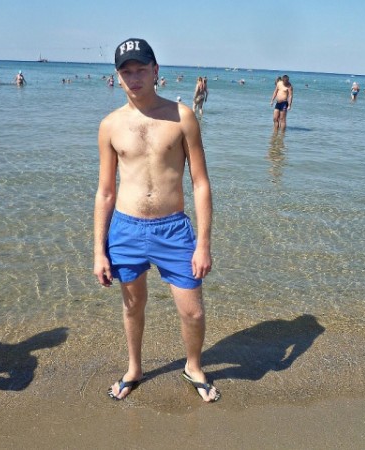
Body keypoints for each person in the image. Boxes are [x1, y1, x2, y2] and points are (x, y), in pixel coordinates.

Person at [94, 38, 219, 403]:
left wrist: (203, 243)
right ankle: (134, 368)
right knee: (133, 306)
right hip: (126, 228)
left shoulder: (182, 117)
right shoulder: (110, 125)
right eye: (126, 72)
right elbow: (105, 192)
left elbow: (200, 183)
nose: (134, 78)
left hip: (173, 229)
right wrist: (98, 251)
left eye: (141, 70)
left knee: (192, 311)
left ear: (155, 71)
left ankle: (193, 366)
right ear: (118, 76)